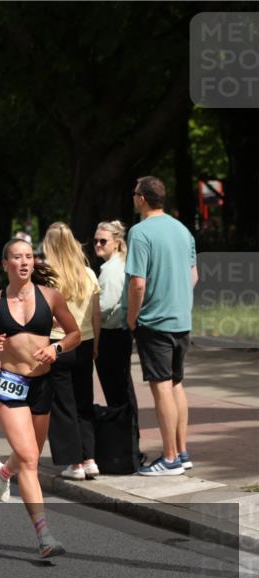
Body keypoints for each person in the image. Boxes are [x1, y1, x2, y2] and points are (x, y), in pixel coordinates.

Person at [0, 238, 80, 558]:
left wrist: (56, 348)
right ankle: (45, 536)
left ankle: (3, 472)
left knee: (27, 454)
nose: (24, 262)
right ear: (5, 264)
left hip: (42, 384)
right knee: (30, 459)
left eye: (29, 257)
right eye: (17, 258)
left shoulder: (50, 296)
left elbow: (74, 333)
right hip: (9, 384)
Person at [125, 176, 198, 476]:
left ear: (142, 198)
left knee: (161, 388)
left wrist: (132, 318)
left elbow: (138, 284)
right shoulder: (183, 230)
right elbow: (194, 276)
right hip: (181, 319)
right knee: (176, 384)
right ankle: (181, 451)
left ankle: (168, 458)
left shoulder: (140, 233)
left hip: (154, 321)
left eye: (134, 194)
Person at [40, 222, 101, 480]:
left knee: (63, 404)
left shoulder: (48, 275)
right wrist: (96, 342)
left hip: (58, 343)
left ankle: (73, 463)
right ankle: (90, 459)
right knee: (84, 401)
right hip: (85, 342)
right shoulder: (88, 274)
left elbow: (42, 314)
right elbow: (95, 313)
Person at [94, 221, 137, 409]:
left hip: (111, 334)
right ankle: (127, 432)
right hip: (118, 333)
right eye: (96, 241)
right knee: (122, 387)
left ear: (116, 242)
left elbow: (105, 305)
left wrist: (87, 316)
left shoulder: (111, 271)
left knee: (117, 390)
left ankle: (124, 433)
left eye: (103, 241)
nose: (98, 245)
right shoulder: (118, 265)